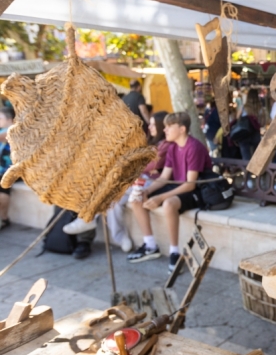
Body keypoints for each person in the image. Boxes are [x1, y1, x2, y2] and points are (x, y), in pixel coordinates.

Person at [64, 111, 172, 253]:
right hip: (139, 179)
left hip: (150, 182)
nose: (150, 127)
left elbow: (150, 166)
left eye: (153, 124)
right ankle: (120, 237)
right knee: (112, 202)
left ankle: (88, 219)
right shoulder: (151, 142)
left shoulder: (166, 145)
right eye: (150, 124)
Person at [127, 111, 212, 273]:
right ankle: (150, 245)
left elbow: (190, 185)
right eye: (164, 127)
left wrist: (159, 197)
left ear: (181, 129)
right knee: (137, 197)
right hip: (177, 187)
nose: (164, 130)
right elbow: (165, 177)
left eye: (169, 127)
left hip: (198, 191)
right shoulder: (173, 147)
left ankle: (174, 252)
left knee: (168, 203)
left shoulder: (193, 147)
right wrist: (148, 191)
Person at [237, 89, 262, 161]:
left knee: (246, 157)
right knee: (256, 157)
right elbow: (262, 122)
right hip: (256, 133)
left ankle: (247, 171)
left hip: (244, 133)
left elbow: (237, 118)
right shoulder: (260, 108)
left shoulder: (244, 107)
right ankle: (255, 172)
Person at [0, 107, 14, 230]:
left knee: (3, 191)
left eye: (0, 118)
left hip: (10, 170)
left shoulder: (13, 130)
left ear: (9, 119)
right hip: (2, 170)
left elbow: (4, 136)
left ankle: (4, 219)